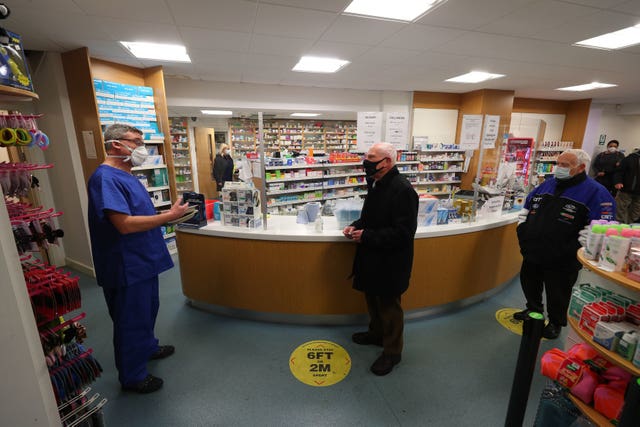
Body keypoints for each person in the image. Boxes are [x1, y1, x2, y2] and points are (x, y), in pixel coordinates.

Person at [87, 124, 190, 393]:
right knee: (131, 319)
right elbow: (124, 224)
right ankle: (132, 376)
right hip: (126, 264)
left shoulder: (127, 174)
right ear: (116, 145)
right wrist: (169, 217)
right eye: (136, 142)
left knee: (147, 311)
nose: (142, 149)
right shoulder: (105, 178)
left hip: (143, 260)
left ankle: (148, 347)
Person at [515, 149, 615, 339]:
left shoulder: (596, 192)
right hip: (533, 251)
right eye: (558, 164)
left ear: (581, 168)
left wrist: (576, 249)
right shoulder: (547, 185)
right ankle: (533, 310)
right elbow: (526, 209)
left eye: (565, 165)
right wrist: (523, 232)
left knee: (558, 292)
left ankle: (555, 322)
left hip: (563, 257)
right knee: (530, 283)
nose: (558, 168)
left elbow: (601, 228)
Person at [343, 142, 418, 376]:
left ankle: (392, 352)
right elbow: (371, 217)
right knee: (372, 299)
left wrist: (367, 235)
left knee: (389, 307)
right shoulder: (375, 182)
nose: (366, 161)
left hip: (391, 262)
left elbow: (404, 233)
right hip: (372, 256)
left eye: (371, 157)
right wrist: (355, 227)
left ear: (387, 161)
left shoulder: (403, 190)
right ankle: (376, 334)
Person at [613, 148, 640, 223]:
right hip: (626, 190)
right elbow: (619, 171)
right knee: (619, 210)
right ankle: (617, 227)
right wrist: (618, 182)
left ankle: (631, 229)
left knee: (636, 213)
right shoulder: (630, 158)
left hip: (638, 193)